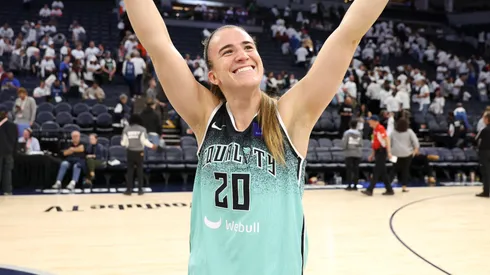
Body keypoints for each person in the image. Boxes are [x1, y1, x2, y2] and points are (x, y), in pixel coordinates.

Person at [124, 0, 389, 273]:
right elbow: (158, 45)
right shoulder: (205, 115)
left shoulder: (290, 116)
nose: (242, 55)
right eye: (228, 51)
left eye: (248, 47)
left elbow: (347, 36)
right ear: (213, 75)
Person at [120, 113, 157, 195]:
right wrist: (152, 146)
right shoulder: (142, 129)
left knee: (130, 171)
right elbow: (144, 141)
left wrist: (128, 145)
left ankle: (129, 190)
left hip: (130, 152)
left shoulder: (126, 129)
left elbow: (123, 143)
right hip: (139, 152)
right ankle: (140, 190)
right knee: (140, 171)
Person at [362, 115, 395, 196]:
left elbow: (386, 140)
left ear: (375, 121)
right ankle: (389, 189)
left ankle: (370, 189)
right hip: (377, 152)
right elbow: (374, 144)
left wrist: (389, 152)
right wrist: (372, 154)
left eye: (370, 120)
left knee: (376, 171)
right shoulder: (374, 130)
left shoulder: (380, 128)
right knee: (383, 172)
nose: (369, 122)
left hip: (382, 151)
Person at [390, 117, 419, 192]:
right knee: (405, 170)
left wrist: (389, 152)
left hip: (395, 154)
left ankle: (388, 185)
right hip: (407, 154)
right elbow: (416, 142)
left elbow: (389, 142)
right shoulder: (409, 131)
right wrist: (414, 151)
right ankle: (404, 187)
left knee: (393, 169)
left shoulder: (393, 132)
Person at [0, 104, 18, 195]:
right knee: (7, 171)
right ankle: (7, 190)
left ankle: (7, 190)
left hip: (6, 152)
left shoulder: (12, 125)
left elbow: (15, 140)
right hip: (9, 151)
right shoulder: (13, 125)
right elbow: (15, 141)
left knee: (7, 172)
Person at [342, 119, 362, 190]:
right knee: (356, 170)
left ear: (350, 125)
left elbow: (344, 143)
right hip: (357, 153)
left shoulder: (347, 133)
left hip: (349, 153)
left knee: (349, 170)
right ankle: (355, 186)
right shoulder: (359, 133)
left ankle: (349, 185)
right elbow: (361, 144)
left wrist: (344, 149)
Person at [475, 112, 490, 198]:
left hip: (485, 152)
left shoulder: (484, 130)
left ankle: (486, 191)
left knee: (486, 172)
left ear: (487, 119)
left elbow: (476, 139)